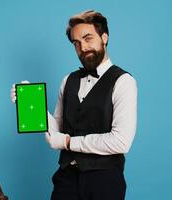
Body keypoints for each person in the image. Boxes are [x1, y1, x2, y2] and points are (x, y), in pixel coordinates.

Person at [10, 10, 137, 200]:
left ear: (104, 37)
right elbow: (56, 134)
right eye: (76, 43)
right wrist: (32, 105)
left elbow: (121, 141)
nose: (83, 47)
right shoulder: (68, 80)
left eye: (88, 39)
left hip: (104, 182)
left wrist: (69, 142)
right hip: (66, 179)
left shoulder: (123, 81)